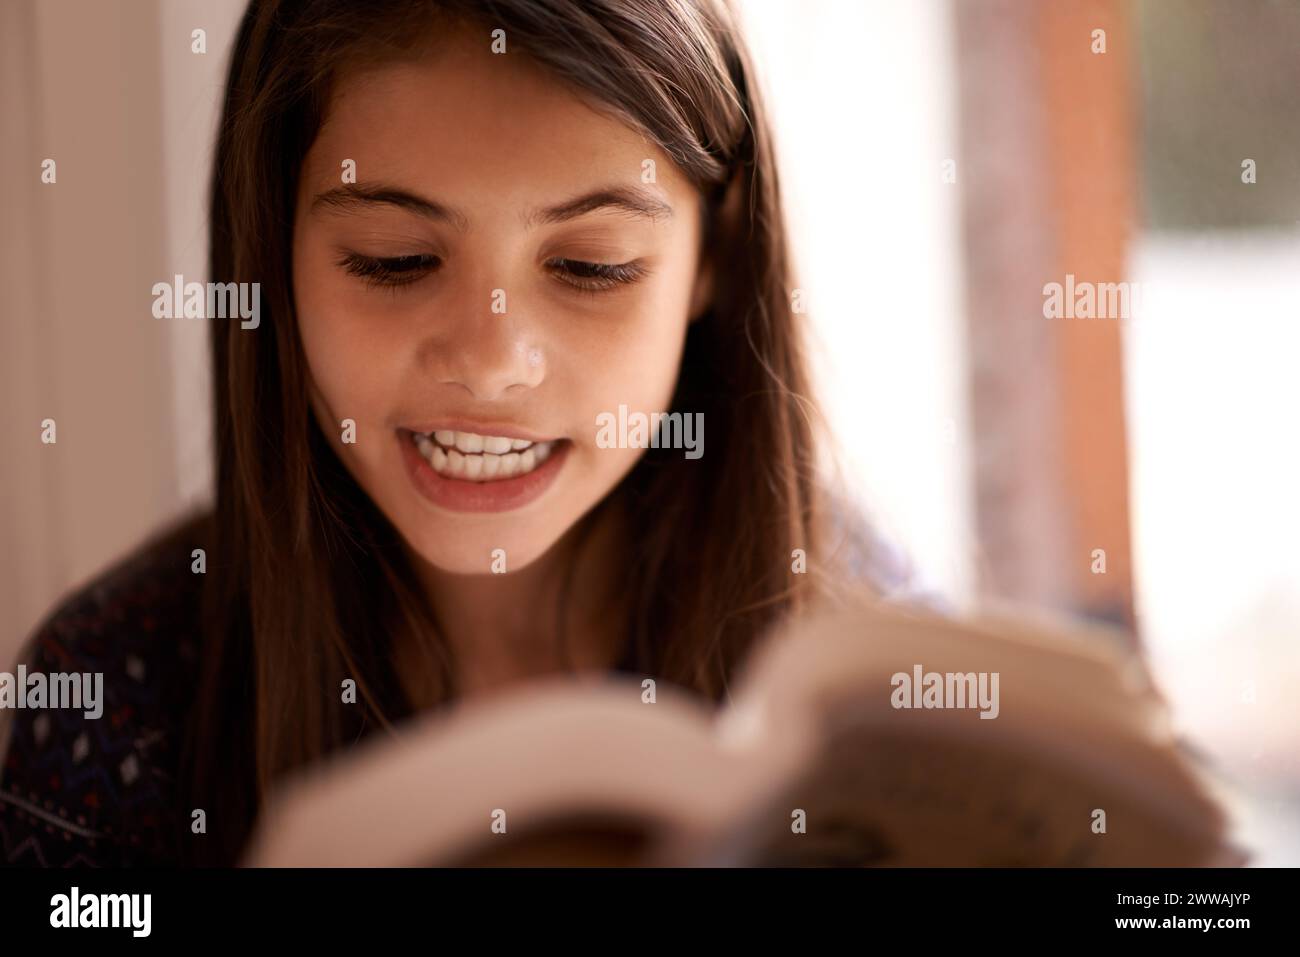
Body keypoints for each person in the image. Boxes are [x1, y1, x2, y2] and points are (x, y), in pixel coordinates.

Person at [0, 0, 910, 867]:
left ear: (714, 253)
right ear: (273, 250)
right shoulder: (111, 694)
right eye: (397, 261)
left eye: (591, 267)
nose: (490, 361)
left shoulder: (868, 637)